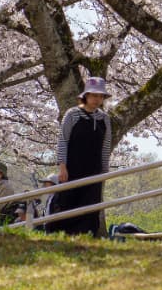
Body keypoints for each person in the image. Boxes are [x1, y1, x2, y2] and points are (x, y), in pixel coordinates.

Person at [48, 76, 114, 235]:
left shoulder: (104, 119)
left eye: (100, 96)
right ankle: (62, 234)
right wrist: (62, 166)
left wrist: (104, 171)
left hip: (94, 170)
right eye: (94, 95)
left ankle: (87, 235)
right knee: (67, 201)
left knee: (91, 206)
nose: (97, 99)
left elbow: (106, 146)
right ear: (86, 96)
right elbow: (63, 140)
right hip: (72, 168)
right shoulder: (73, 114)